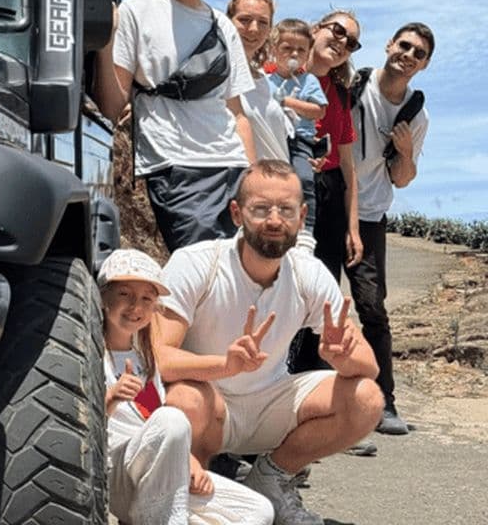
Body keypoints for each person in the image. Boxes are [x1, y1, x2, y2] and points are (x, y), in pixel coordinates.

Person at [154, 160, 383, 525]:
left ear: (302, 215)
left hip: (269, 405)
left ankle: (272, 480)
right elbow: (159, 358)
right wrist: (223, 366)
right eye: (260, 209)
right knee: (183, 399)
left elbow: (369, 368)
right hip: (210, 407)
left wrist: (343, 358)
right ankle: (193, 491)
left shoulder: (308, 274)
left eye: (286, 210)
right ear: (236, 212)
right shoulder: (196, 264)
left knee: (367, 399)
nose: (274, 221)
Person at [93, 0, 256, 252]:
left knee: (236, 277)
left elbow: (238, 113)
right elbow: (111, 105)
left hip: (231, 167)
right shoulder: (137, 11)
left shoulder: (223, 26)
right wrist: (105, 43)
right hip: (175, 167)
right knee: (196, 273)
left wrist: (254, 180)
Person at [99, 248, 274, 525]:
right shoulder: (90, 353)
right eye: (125, 295)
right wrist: (110, 399)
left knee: (258, 511)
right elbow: (77, 428)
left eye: (147, 298)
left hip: (155, 472)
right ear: (104, 298)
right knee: (173, 418)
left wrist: (187, 460)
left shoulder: (145, 357)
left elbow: (154, 422)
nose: (136, 307)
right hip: (113, 470)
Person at [350, 23, 434, 435]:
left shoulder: (416, 115)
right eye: (404, 45)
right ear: (389, 45)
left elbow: (402, 178)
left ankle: (384, 403)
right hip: (331, 205)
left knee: (372, 309)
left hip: (371, 216)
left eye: (418, 53)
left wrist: (404, 152)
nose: (408, 55)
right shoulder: (355, 83)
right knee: (311, 303)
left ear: (424, 65)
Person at [289, 10, 364, 374]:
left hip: (329, 193)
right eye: (337, 31)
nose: (342, 42)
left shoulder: (340, 95)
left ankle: (313, 372)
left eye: (351, 42)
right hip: (287, 189)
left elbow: (349, 168)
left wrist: (353, 227)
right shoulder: (280, 75)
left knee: (322, 285)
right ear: (316, 28)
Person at [266, 18, 328, 230]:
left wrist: (287, 102)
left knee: (303, 178)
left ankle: (306, 228)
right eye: (287, 48)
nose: (294, 54)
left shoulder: (309, 81)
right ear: (273, 49)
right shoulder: (264, 81)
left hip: (300, 140)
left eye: (301, 50)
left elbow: (319, 110)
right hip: (273, 138)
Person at [227, 0, 292, 163]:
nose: (254, 29)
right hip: (248, 184)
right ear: (228, 22)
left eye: (263, 22)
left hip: (281, 181)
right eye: (245, 20)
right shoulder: (220, 74)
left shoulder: (263, 78)